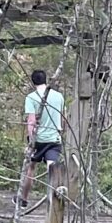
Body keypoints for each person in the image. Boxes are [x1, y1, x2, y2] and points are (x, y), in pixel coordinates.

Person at [19, 68, 67, 206]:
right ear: (45, 80)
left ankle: (24, 199)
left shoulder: (31, 97)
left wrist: (30, 140)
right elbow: (63, 117)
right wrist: (60, 131)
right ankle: (54, 200)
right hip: (54, 139)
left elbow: (31, 121)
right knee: (52, 168)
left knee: (31, 167)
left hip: (38, 140)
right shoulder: (59, 96)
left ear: (33, 82)